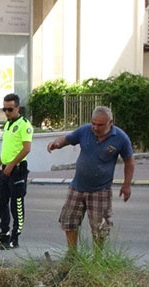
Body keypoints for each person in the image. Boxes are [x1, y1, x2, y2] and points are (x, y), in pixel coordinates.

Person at [46, 106, 135, 254]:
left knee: (99, 227)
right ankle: (72, 254)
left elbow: (130, 162)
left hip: (101, 190)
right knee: (69, 221)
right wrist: (56, 143)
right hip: (77, 187)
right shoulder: (85, 130)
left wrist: (127, 185)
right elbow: (67, 139)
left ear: (110, 122)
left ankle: (98, 259)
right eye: (93, 123)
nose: (95, 127)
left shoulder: (120, 138)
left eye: (100, 124)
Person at [0, 93, 31, 250]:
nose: (7, 112)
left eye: (10, 109)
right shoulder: (7, 124)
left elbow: (26, 149)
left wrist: (11, 165)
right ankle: (4, 233)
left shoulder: (24, 125)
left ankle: (15, 238)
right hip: (5, 169)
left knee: (16, 205)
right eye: (4, 109)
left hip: (17, 170)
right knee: (0, 202)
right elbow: (5, 149)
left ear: (17, 108)